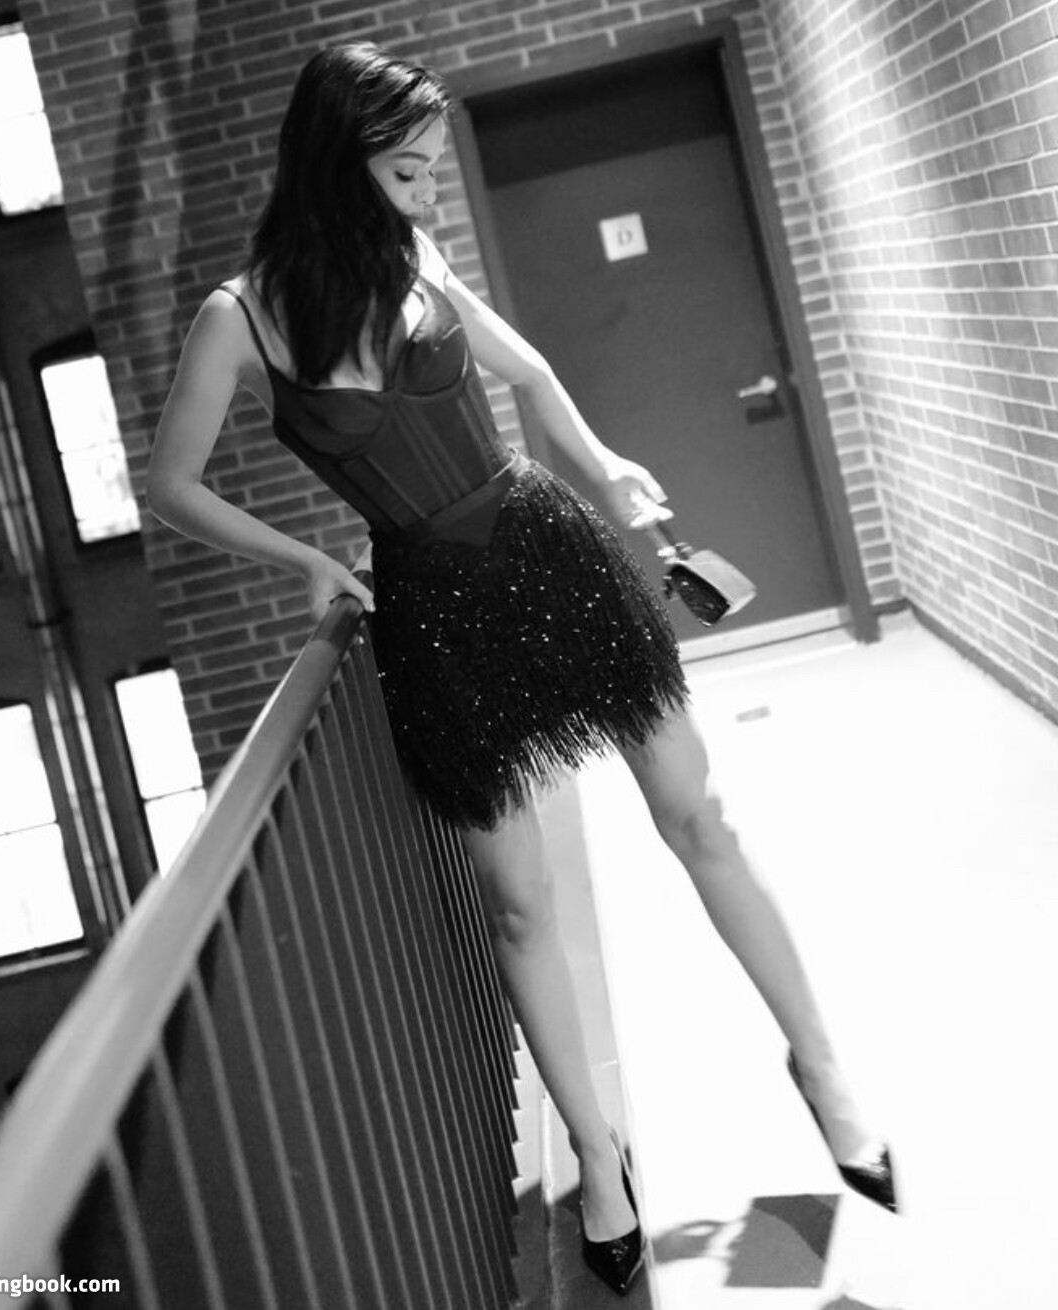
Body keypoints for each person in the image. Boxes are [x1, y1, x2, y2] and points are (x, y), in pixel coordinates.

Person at [147, 41, 897, 1296]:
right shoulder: (241, 318)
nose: (427, 189)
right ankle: (600, 1156)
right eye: (406, 169)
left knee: (699, 815)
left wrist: (611, 471)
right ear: (337, 163)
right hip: (434, 608)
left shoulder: (417, 257)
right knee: (518, 903)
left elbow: (532, 371)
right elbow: (170, 483)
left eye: (434, 167)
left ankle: (820, 1060)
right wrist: (306, 559)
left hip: (550, 547)